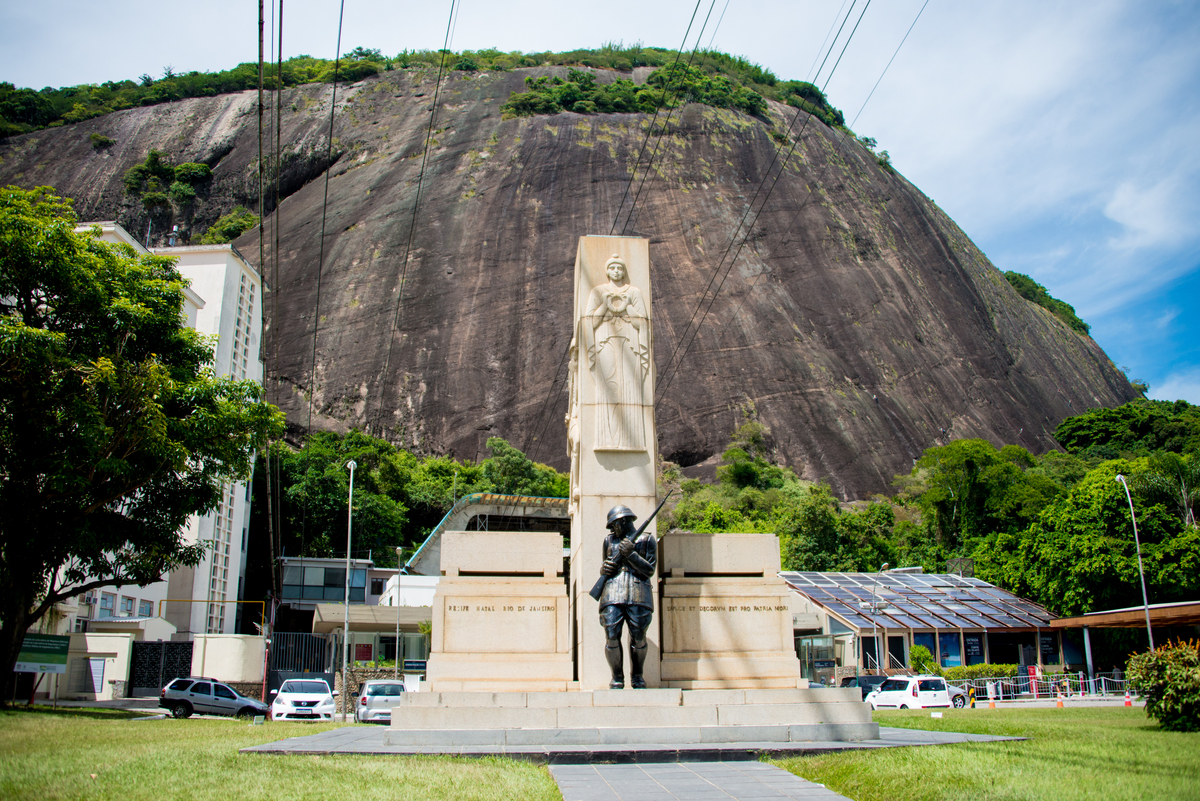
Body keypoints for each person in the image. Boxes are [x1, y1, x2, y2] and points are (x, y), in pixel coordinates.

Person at [582, 255, 651, 451]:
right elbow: (590, 322)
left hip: (630, 344)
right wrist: (605, 304)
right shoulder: (598, 292)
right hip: (605, 342)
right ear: (607, 271)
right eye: (612, 267)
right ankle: (607, 439)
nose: (616, 271)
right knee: (608, 387)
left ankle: (633, 440)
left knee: (630, 387)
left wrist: (627, 305)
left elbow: (642, 324)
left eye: (619, 267)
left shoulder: (634, 292)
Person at [598, 504, 657, 688]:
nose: (613, 529)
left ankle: (637, 676)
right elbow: (605, 567)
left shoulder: (647, 540)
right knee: (611, 635)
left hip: (638, 592)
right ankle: (617, 677)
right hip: (612, 592)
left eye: (615, 525)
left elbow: (649, 570)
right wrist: (604, 568)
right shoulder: (609, 541)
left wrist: (631, 554)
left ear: (623, 521)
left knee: (639, 636)